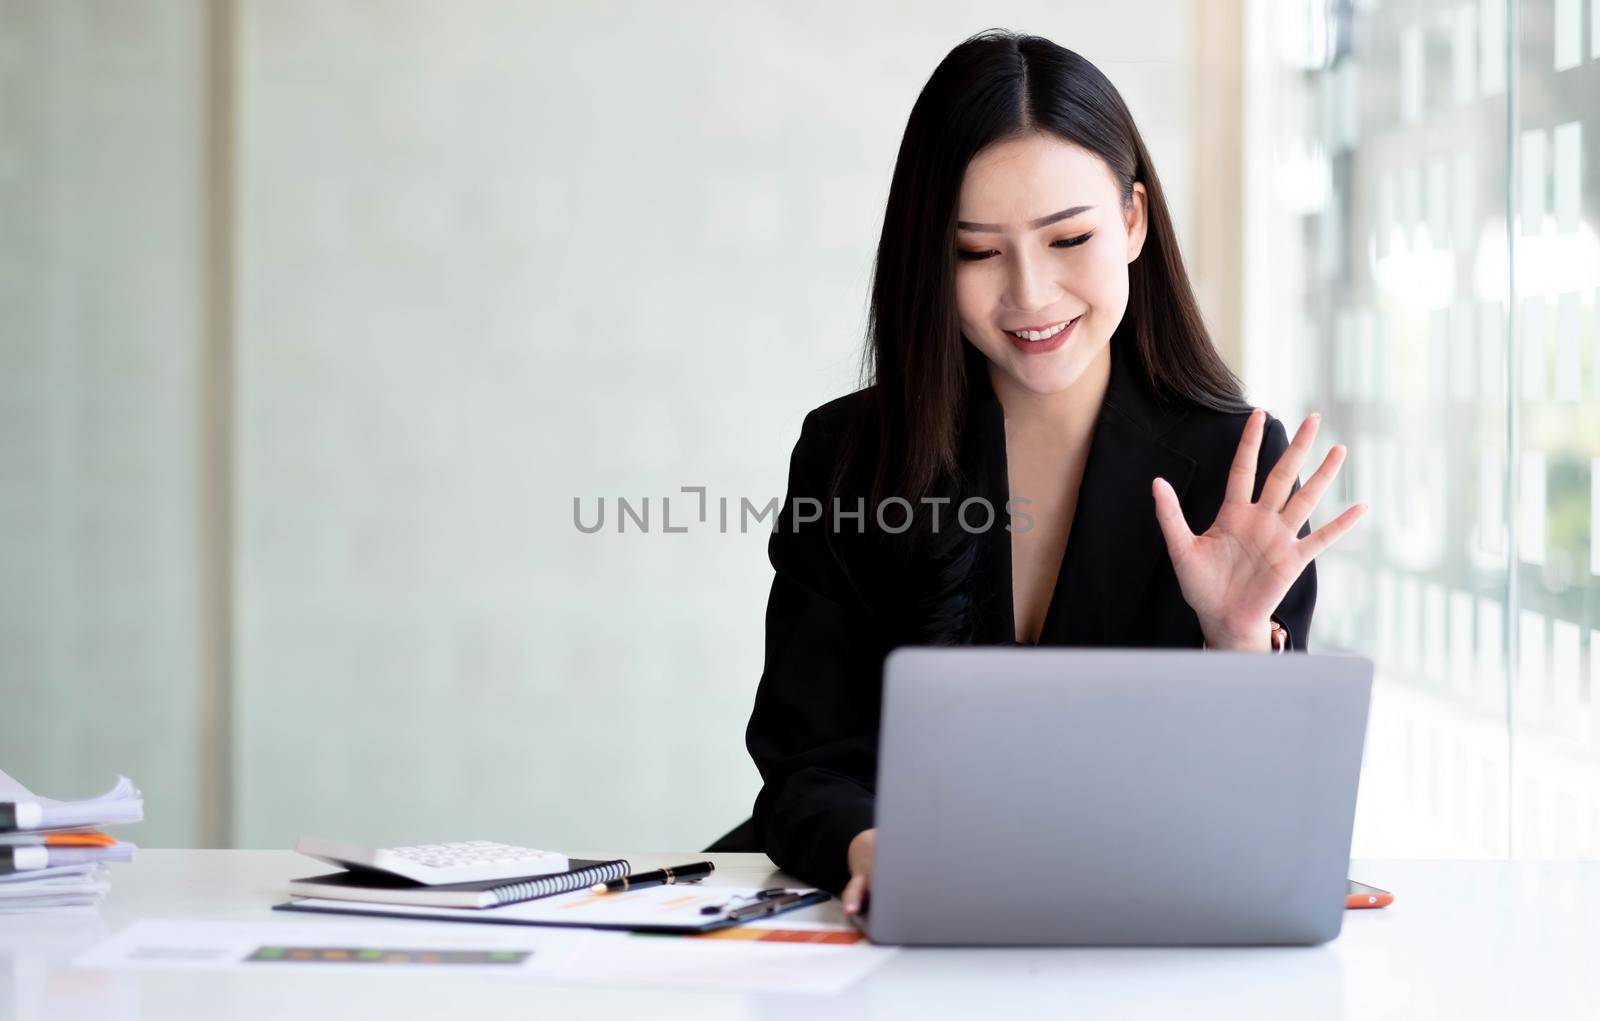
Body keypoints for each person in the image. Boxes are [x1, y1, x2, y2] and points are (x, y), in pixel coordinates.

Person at [741, 30, 1367, 916]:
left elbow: (1259, 825)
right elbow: (805, 763)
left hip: (1135, 944)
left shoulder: (1238, 478)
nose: (1030, 296)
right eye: (976, 252)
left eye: (1069, 238)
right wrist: (878, 847)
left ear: (1135, 222)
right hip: (891, 927)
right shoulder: (850, 456)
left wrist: (1234, 644)